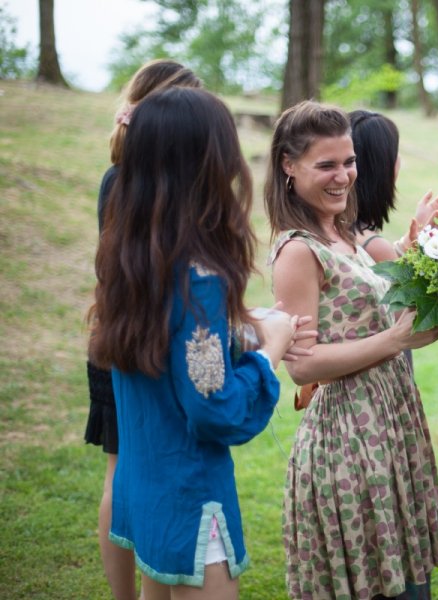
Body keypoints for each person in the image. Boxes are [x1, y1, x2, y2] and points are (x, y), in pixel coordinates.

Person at [89, 87, 304, 599]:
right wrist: (269, 349)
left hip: (145, 486)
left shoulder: (129, 259)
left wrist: (242, 324)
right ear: (208, 163)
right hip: (191, 502)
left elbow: (168, 357)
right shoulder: (198, 280)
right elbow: (216, 409)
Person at [266, 101, 438, 599]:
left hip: (390, 418)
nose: (343, 176)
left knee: (408, 579)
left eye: (348, 162)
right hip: (349, 434)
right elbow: (300, 366)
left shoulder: (342, 233)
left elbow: (366, 313)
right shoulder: (299, 250)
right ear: (288, 165)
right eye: (326, 165)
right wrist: (393, 341)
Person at [84, 58, 201, 600]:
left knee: (125, 475)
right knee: (127, 477)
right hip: (141, 347)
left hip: (115, 340)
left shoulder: (121, 177)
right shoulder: (146, 184)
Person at [348, 109, 438, 263]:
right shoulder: (372, 245)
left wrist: (413, 237)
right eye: (394, 153)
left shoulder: (342, 227)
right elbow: (399, 284)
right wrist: (428, 245)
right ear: (384, 167)